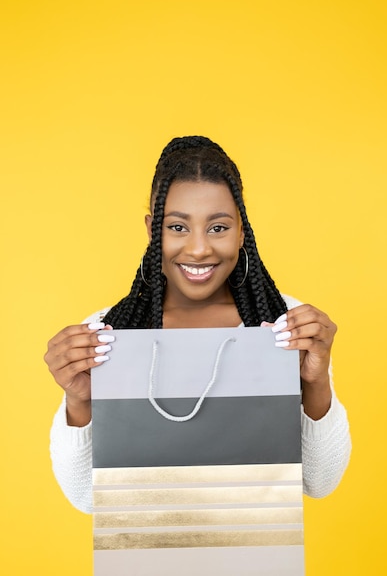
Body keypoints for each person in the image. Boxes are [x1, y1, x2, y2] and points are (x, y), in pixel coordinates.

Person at [46, 135, 351, 514]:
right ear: (152, 230)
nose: (198, 249)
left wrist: (315, 382)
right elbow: (86, 499)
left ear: (242, 231)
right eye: (177, 227)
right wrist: (79, 401)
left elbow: (320, 484)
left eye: (218, 228)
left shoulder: (282, 323)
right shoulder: (111, 333)